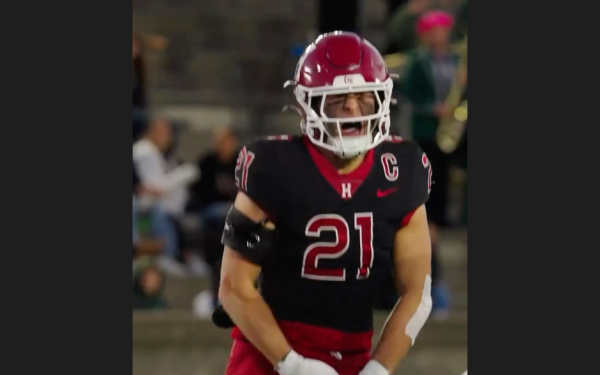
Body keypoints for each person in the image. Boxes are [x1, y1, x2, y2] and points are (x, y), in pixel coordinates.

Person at [217, 32, 433, 375]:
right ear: (307, 104)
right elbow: (233, 286)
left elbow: (416, 294)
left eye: (363, 96)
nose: (351, 107)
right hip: (270, 353)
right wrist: (292, 364)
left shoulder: (401, 170)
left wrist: (379, 368)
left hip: (355, 355)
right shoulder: (275, 167)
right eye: (337, 98)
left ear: (382, 100)